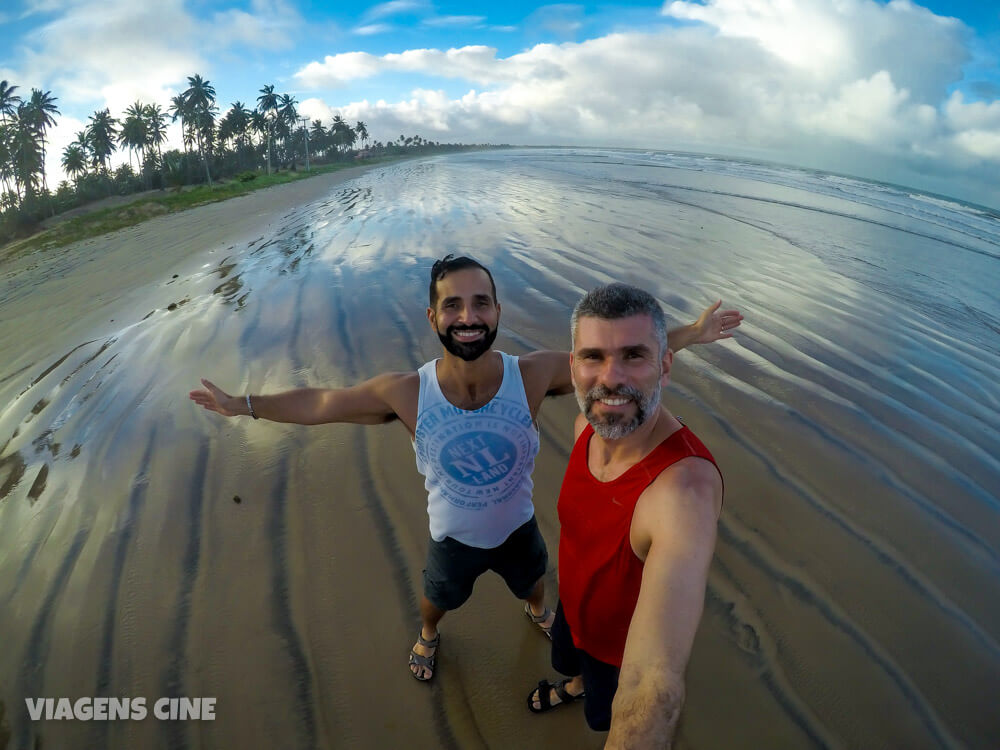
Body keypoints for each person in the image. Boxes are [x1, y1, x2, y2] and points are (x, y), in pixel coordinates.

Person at [189, 256, 740, 683]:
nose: (468, 317)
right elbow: (322, 404)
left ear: (498, 312)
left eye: (481, 303)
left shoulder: (532, 374)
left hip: (519, 526)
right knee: (438, 597)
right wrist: (246, 404)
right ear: (434, 317)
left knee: (533, 581)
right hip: (452, 537)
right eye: (452, 305)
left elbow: (614, 363)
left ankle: (539, 612)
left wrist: (689, 333)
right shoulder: (406, 392)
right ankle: (428, 634)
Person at [527, 283, 724, 749]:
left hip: (618, 654)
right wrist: (692, 331)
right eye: (593, 357)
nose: (610, 378)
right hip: (573, 609)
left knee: (607, 709)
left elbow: (652, 684)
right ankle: (574, 686)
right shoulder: (583, 429)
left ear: (664, 366)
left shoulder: (683, 491)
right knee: (572, 665)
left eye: (634, 356)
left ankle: (585, 689)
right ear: (573, 367)